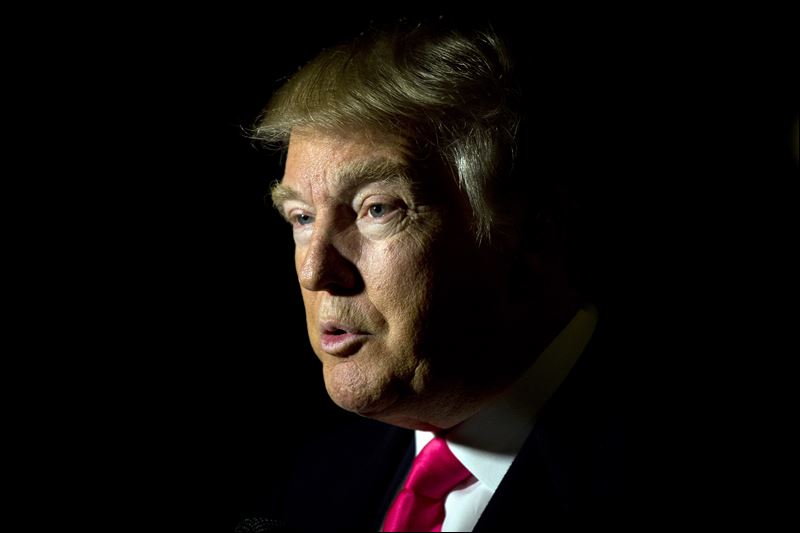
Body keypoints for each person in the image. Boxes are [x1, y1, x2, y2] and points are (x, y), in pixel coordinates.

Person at [251, 18, 624, 531]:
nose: (316, 272)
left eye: (376, 209)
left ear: (533, 231)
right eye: (302, 218)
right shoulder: (307, 484)